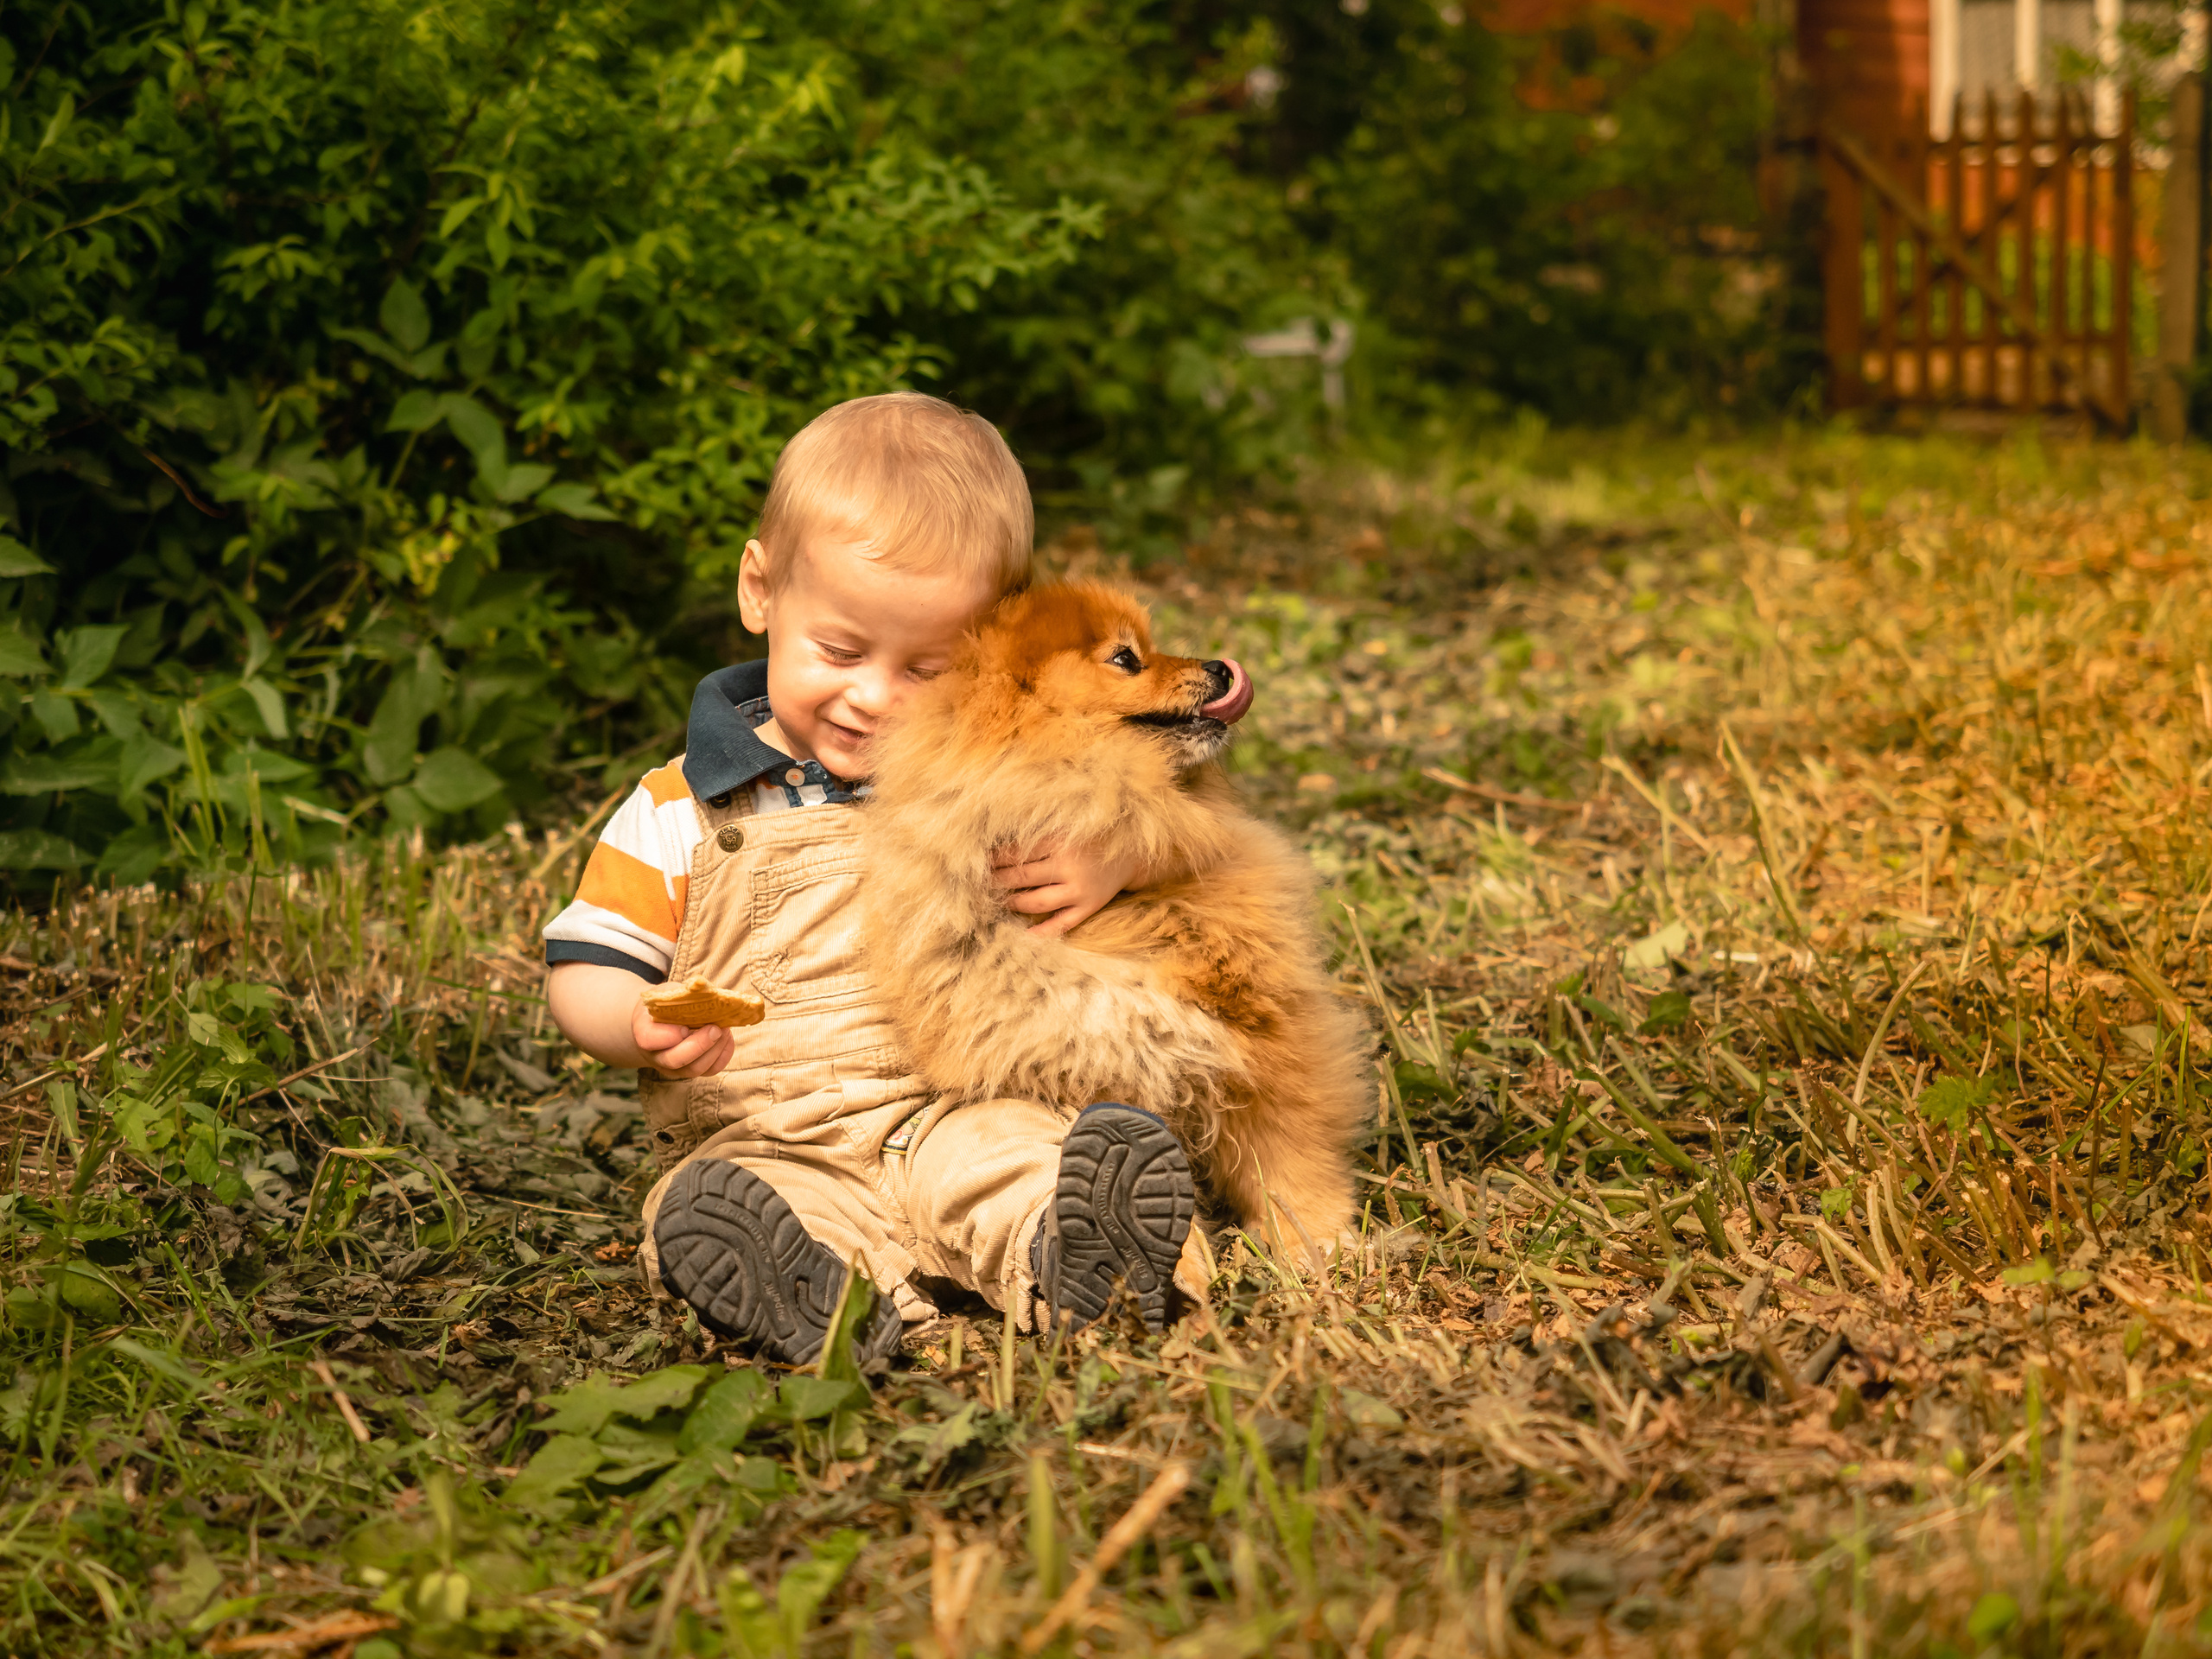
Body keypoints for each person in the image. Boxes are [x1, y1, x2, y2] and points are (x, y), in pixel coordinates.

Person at [542, 392, 1241, 1369]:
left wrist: (1116, 855)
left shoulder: (993, 773)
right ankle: (822, 1305)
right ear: (760, 590)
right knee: (709, 1209)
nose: (873, 697)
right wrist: (635, 1021)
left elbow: (1189, 800)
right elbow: (584, 962)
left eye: (928, 667)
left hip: (966, 1104)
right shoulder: (677, 811)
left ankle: (1096, 1267)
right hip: (767, 1132)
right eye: (838, 651)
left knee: (1034, 1166)